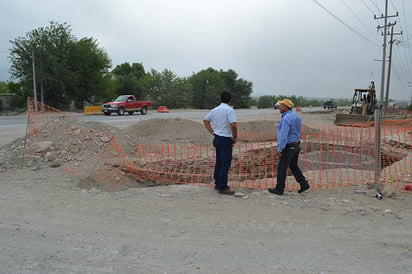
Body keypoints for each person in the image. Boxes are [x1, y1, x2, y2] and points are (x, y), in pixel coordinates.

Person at [268, 99, 310, 195]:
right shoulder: (297, 117)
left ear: (286, 107)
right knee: (293, 166)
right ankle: (304, 184)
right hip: (295, 144)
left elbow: (283, 135)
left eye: (281, 105)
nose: (279, 107)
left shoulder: (286, 118)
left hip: (288, 146)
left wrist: (280, 148)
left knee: (282, 167)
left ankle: (279, 188)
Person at [203, 91, 238, 195]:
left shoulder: (214, 110)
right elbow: (233, 125)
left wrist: (212, 131)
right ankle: (223, 187)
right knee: (225, 163)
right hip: (225, 139)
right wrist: (235, 137)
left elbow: (205, 120)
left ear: (220, 99)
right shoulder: (229, 110)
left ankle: (218, 183)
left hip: (217, 138)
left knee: (219, 162)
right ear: (230, 100)